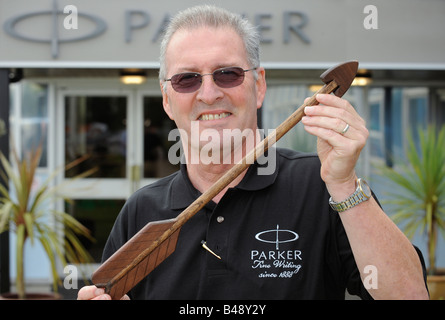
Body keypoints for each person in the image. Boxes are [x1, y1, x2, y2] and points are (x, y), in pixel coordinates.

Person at [78, 5, 428, 300]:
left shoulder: (322, 184)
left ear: (258, 86)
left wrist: (345, 185)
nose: (209, 93)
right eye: (187, 79)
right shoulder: (142, 211)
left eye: (227, 74)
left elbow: (410, 295)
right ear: (168, 100)